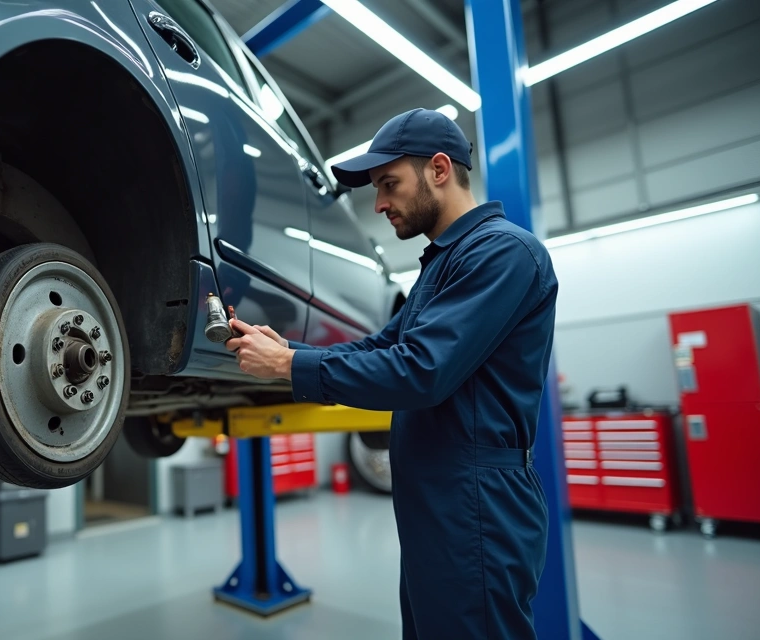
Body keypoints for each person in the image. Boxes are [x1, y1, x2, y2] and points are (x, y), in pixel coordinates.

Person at [225, 107, 558, 639]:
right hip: (439, 500)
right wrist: (285, 348)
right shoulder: (442, 264)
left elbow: (422, 370)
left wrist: (289, 366)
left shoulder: (503, 252)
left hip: (477, 504)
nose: (379, 204)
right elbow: (382, 346)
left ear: (439, 169)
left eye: (389, 184)